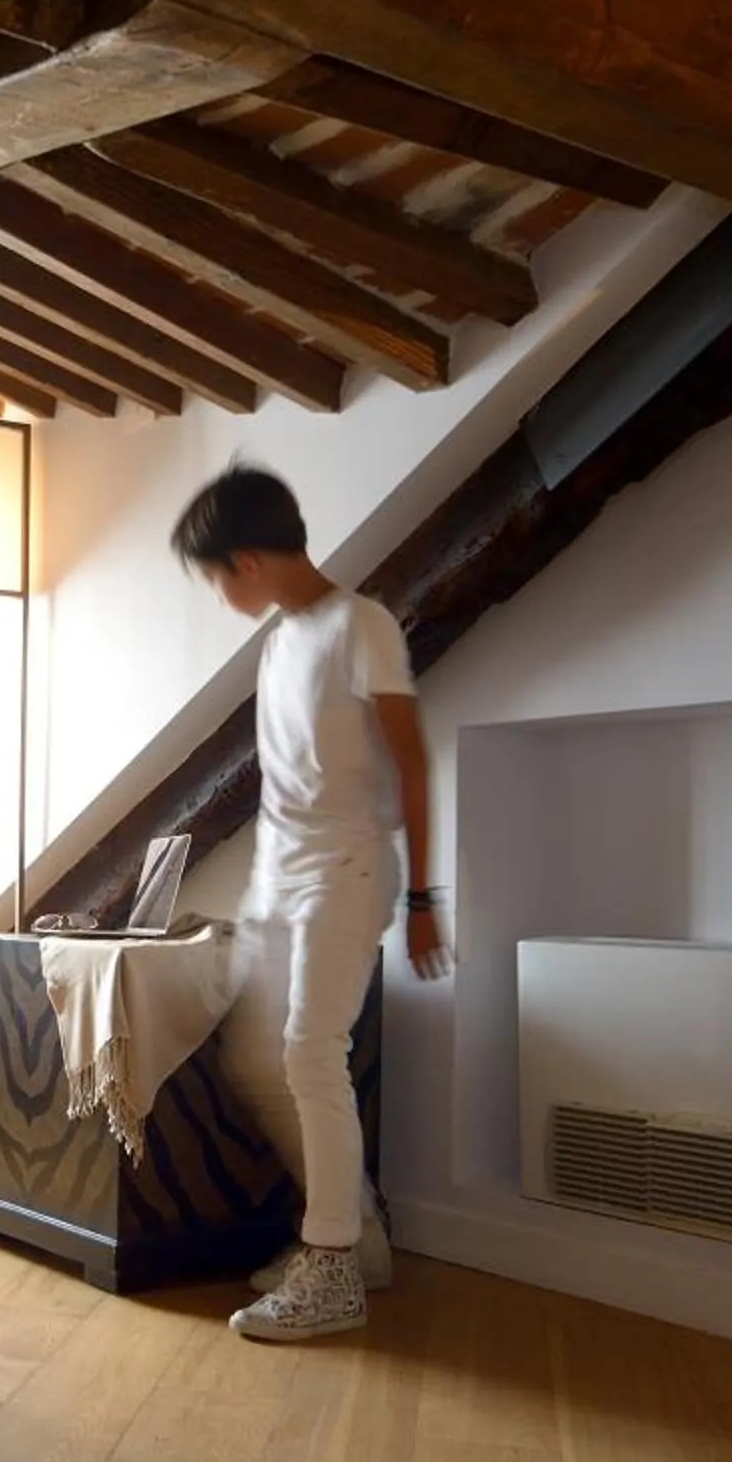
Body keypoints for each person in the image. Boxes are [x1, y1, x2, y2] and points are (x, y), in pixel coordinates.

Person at [174, 467, 452, 1342]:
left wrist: (421, 897)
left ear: (248, 560)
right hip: (281, 871)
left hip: (349, 868)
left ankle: (331, 1268)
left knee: (307, 1051)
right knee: (260, 1059)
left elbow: (412, 762)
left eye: (217, 575)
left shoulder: (358, 625)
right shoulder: (279, 641)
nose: (220, 591)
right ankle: (357, 1235)